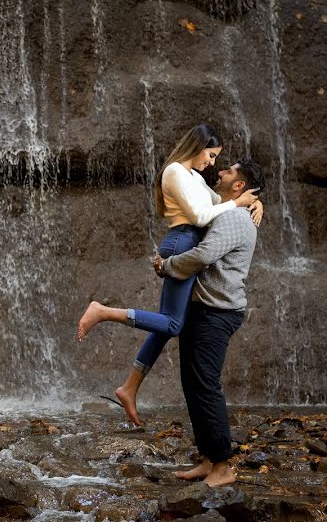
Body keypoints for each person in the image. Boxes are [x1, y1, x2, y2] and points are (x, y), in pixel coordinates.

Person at [76, 124, 261, 426]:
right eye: (211, 155)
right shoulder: (174, 170)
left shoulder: (196, 177)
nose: (213, 164)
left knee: (166, 324)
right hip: (182, 241)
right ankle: (103, 311)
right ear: (198, 147)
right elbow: (203, 217)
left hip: (188, 240)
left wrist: (254, 202)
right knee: (174, 323)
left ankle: (129, 387)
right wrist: (237, 202)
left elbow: (220, 204)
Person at [152, 158, 265, 487]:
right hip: (204, 309)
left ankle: (223, 467)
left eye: (229, 170)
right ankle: (208, 458)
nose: (220, 171)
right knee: (193, 382)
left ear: (239, 186)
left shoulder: (233, 218)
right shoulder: (229, 209)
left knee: (205, 385)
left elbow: (202, 256)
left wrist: (167, 265)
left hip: (218, 311)